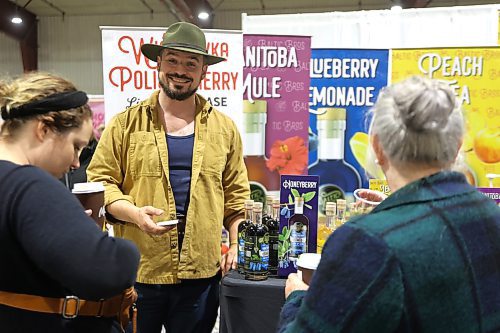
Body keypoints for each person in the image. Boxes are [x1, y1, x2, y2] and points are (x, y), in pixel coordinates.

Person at [278, 76, 500, 332]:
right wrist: (395, 213)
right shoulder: (489, 214)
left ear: (377, 147)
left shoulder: (366, 242)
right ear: (458, 145)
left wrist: (297, 298)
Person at [87, 22, 250, 333]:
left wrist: (239, 243)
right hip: (140, 272)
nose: (181, 70)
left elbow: (237, 198)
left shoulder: (225, 129)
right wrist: (133, 214)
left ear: (204, 71)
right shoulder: (125, 125)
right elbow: (101, 184)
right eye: (173, 60)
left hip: (201, 275)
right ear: (158, 63)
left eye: (191, 63)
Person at [0, 72, 140, 333]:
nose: (76, 162)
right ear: (44, 129)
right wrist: (127, 250)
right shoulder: (29, 186)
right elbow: (108, 270)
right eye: (75, 146)